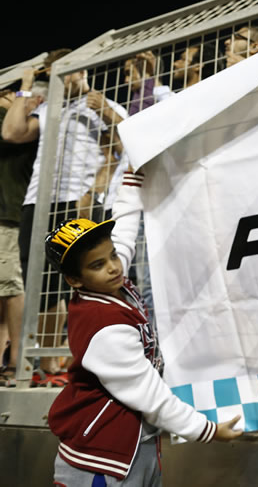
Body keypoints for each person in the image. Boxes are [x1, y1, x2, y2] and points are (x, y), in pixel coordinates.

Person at [44, 169, 242, 485]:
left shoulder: (107, 280)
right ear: (74, 280)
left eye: (112, 256)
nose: (113, 267)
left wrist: (131, 180)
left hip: (133, 447)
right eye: (98, 264)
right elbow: (150, 396)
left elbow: (123, 231)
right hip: (100, 460)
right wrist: (207, 430)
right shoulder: (103, 327)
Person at [1, 58, 128, 385]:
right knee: (40, 285)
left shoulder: (103, 104)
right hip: (38, 201)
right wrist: (25, 87)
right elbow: (11, 132)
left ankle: (89, 358)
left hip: (79, 202)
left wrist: (94, 191)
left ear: (82, 70)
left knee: (83, 280)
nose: (60, 78)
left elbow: (124, 149)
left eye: (66, 71)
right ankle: (49, 363)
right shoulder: (48, 107)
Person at [0, 84, 42, 386]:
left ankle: (17, 361)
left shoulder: (25, 125)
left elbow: (10, 131)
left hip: (10, 215)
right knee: (5, 290)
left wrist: (22, 91)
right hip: (8, 215)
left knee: (12, 288)